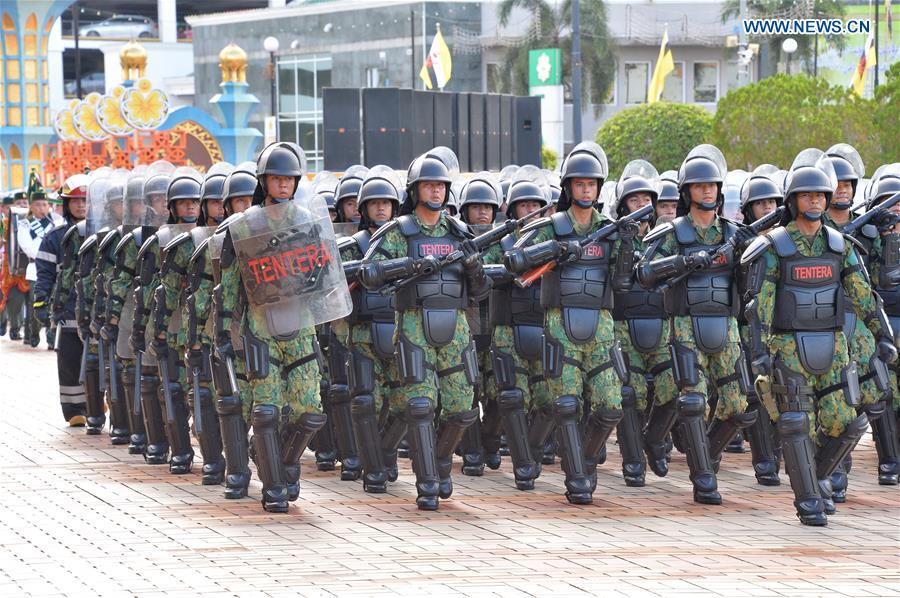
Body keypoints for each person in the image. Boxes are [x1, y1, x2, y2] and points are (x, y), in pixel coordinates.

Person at [741, 149, 896, 526]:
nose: (814, 201)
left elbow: (864, 295)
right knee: (798, 426)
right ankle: (809, 500)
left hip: (834, 347)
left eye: (820, 195)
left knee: (848, 424)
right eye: (807, 195)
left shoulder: (840, 246)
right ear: (793, 200)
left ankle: (818, 477)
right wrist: (758, 351)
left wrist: (883, 335)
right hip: (788, 348)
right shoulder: (775, 246)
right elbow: (759, 305)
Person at [215, 142, 346, 512]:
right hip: (260, 327)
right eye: (276, 178)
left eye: (289, 179)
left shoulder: (308, 221)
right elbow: (229, 285)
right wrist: (223, 332)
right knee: (267, 411)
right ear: (264, 182)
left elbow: (326, 276)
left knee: (309, 412)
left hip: (301, 326)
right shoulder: (244, 226)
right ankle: (273, 486)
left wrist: (330, 319)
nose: (283, 184)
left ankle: (281, 460)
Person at [358, 148, 489, 510]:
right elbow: (369, 272)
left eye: (441, 186)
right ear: (415, 190)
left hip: (456, 326)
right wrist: (411, 265)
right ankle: (427, 481)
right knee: (419, 405)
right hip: (414, 323)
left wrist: (475, 269)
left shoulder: (459, 232)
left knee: (462, 410)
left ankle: (441, 459)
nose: (436, 191)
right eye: (429, 185)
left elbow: (481, 292)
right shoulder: (400, 230)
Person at [503, 142, 634, 504]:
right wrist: (556, 250)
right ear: (568, 188)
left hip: (601, 325)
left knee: (610, 405)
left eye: (592, 184)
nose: (586, 190)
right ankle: (576, 476)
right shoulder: (553, 226)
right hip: (561, 323)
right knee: (566, 405)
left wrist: (626, 247)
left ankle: (585, 457)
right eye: (580, 184)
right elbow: (515, 259)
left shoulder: (609, 229)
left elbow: (624, 282)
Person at [636, 145, 757, 505]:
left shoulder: (733, 232)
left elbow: (752, 281)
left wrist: (748, 254)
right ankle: (703, 477)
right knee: (692, 402)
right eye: (700, 186)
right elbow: (644, 272)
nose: (707, 191)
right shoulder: (673, 232)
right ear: (687, 192)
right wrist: (682, 261)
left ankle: (705, 451)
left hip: (726, 325)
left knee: (739, 407)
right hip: (686, 325)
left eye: (712, 186)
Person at [155, 163, 233, 482]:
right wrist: (160, 331)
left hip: (233, 331)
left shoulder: (239, 236)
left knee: (233, 398)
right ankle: (200, 456)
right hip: (193, 332)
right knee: (194, 394)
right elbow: (168, 291)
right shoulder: (190, 243)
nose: (219, 208)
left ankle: (236, 456)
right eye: (212, 202)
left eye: (223, 202)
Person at [339, 166, 405, 493]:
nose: (381, 208)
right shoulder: (354, 244)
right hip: (364, 334)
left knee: (407, 403)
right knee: (367, 404)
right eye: (375, 203)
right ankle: (374, 468)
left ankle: (386, 452)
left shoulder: (406, 241)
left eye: (386, 203)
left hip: (401, 331)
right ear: (364, 209)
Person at [607, 160, 672, 488]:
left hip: (661, 325)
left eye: (647, 200)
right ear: (623, 206)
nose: (642, 205)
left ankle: (655, 438)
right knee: (629, 394)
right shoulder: (613, 238)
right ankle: (633, 461)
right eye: (634, 200)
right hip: (623, 325)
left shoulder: (668, 237)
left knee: (676, 388)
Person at [107, 162, 174, 458]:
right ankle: (147, 436)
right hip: (142, 311)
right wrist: (112, 316)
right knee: (143, 376)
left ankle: (176, 440)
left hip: (177, 314)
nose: (163, 204)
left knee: (175, 382)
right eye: (157, 199)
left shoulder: (184, 234)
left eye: (166, 198)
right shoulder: (137, 239)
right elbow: (121, 280)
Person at [198, 162, 256, 498]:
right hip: (230, 330)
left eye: (250, 200)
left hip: (270, 330)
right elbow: (206, 293)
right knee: (232, 402)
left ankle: (275, 465)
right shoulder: (218, 243)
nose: (246, 207)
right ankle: (235, 471)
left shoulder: (275, 233)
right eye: (239, 201)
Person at [735, 166, 785, 487]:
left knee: (785, 393)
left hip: (783, 326)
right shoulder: (738, 239)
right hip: (749, 326)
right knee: (757, 393)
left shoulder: (787, 238)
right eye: (760, 203)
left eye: (772, 202)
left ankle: (782, 454)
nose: (767, 208)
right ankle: (765, 461)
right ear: (748, 209)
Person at [457, 171, 504, 477]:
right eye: (476, 207)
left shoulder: (504, 242)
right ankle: (472, 451)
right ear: (465, 211)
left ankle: (491, 441)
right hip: (466, 330)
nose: (483, 212)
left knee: (501, 394)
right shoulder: (458, 241)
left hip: (496, 329)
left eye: (487, 207)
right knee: (468, 394)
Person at [35, 173, 90, 425]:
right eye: (75, 201)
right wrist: (41, 302)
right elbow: (45, 274)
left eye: (85, 200)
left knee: (99, 362)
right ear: (66, 204)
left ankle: (96, 403)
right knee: (69, 361)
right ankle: (74, 409)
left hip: (98, 312)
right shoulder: (55, 237)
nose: (81, 205)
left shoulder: (105, 233)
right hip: (67, 312)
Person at [18, 172, 62, 347]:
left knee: (53, 302)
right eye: (38, 205)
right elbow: (27, 247)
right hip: (35, 269)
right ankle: (33, 333)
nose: (43, 208)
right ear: (31, 206)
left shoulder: (57, 222)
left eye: (45, 204)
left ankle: (51, 339)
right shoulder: (25, 224)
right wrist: (46, 256)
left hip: (55, 270)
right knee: (35, 303)